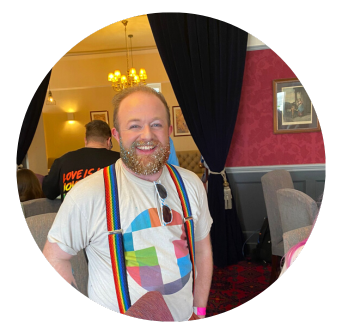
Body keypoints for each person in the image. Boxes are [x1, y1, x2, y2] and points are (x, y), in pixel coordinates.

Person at [43, 86, 213, 321]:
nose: (147, 135)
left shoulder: (191, 184)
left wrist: (199, 310)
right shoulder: (88, 193)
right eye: (134, 125)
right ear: (116, 135)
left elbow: (202, 248)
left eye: (156, 124)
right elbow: (55, 257)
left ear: (169, 130)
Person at [42, 120, 120, 201]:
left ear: (85, 140)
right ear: (108, 140)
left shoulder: (63, 161)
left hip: (72, 213)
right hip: (110, 212)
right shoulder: (120, 160)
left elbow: (49, 192)